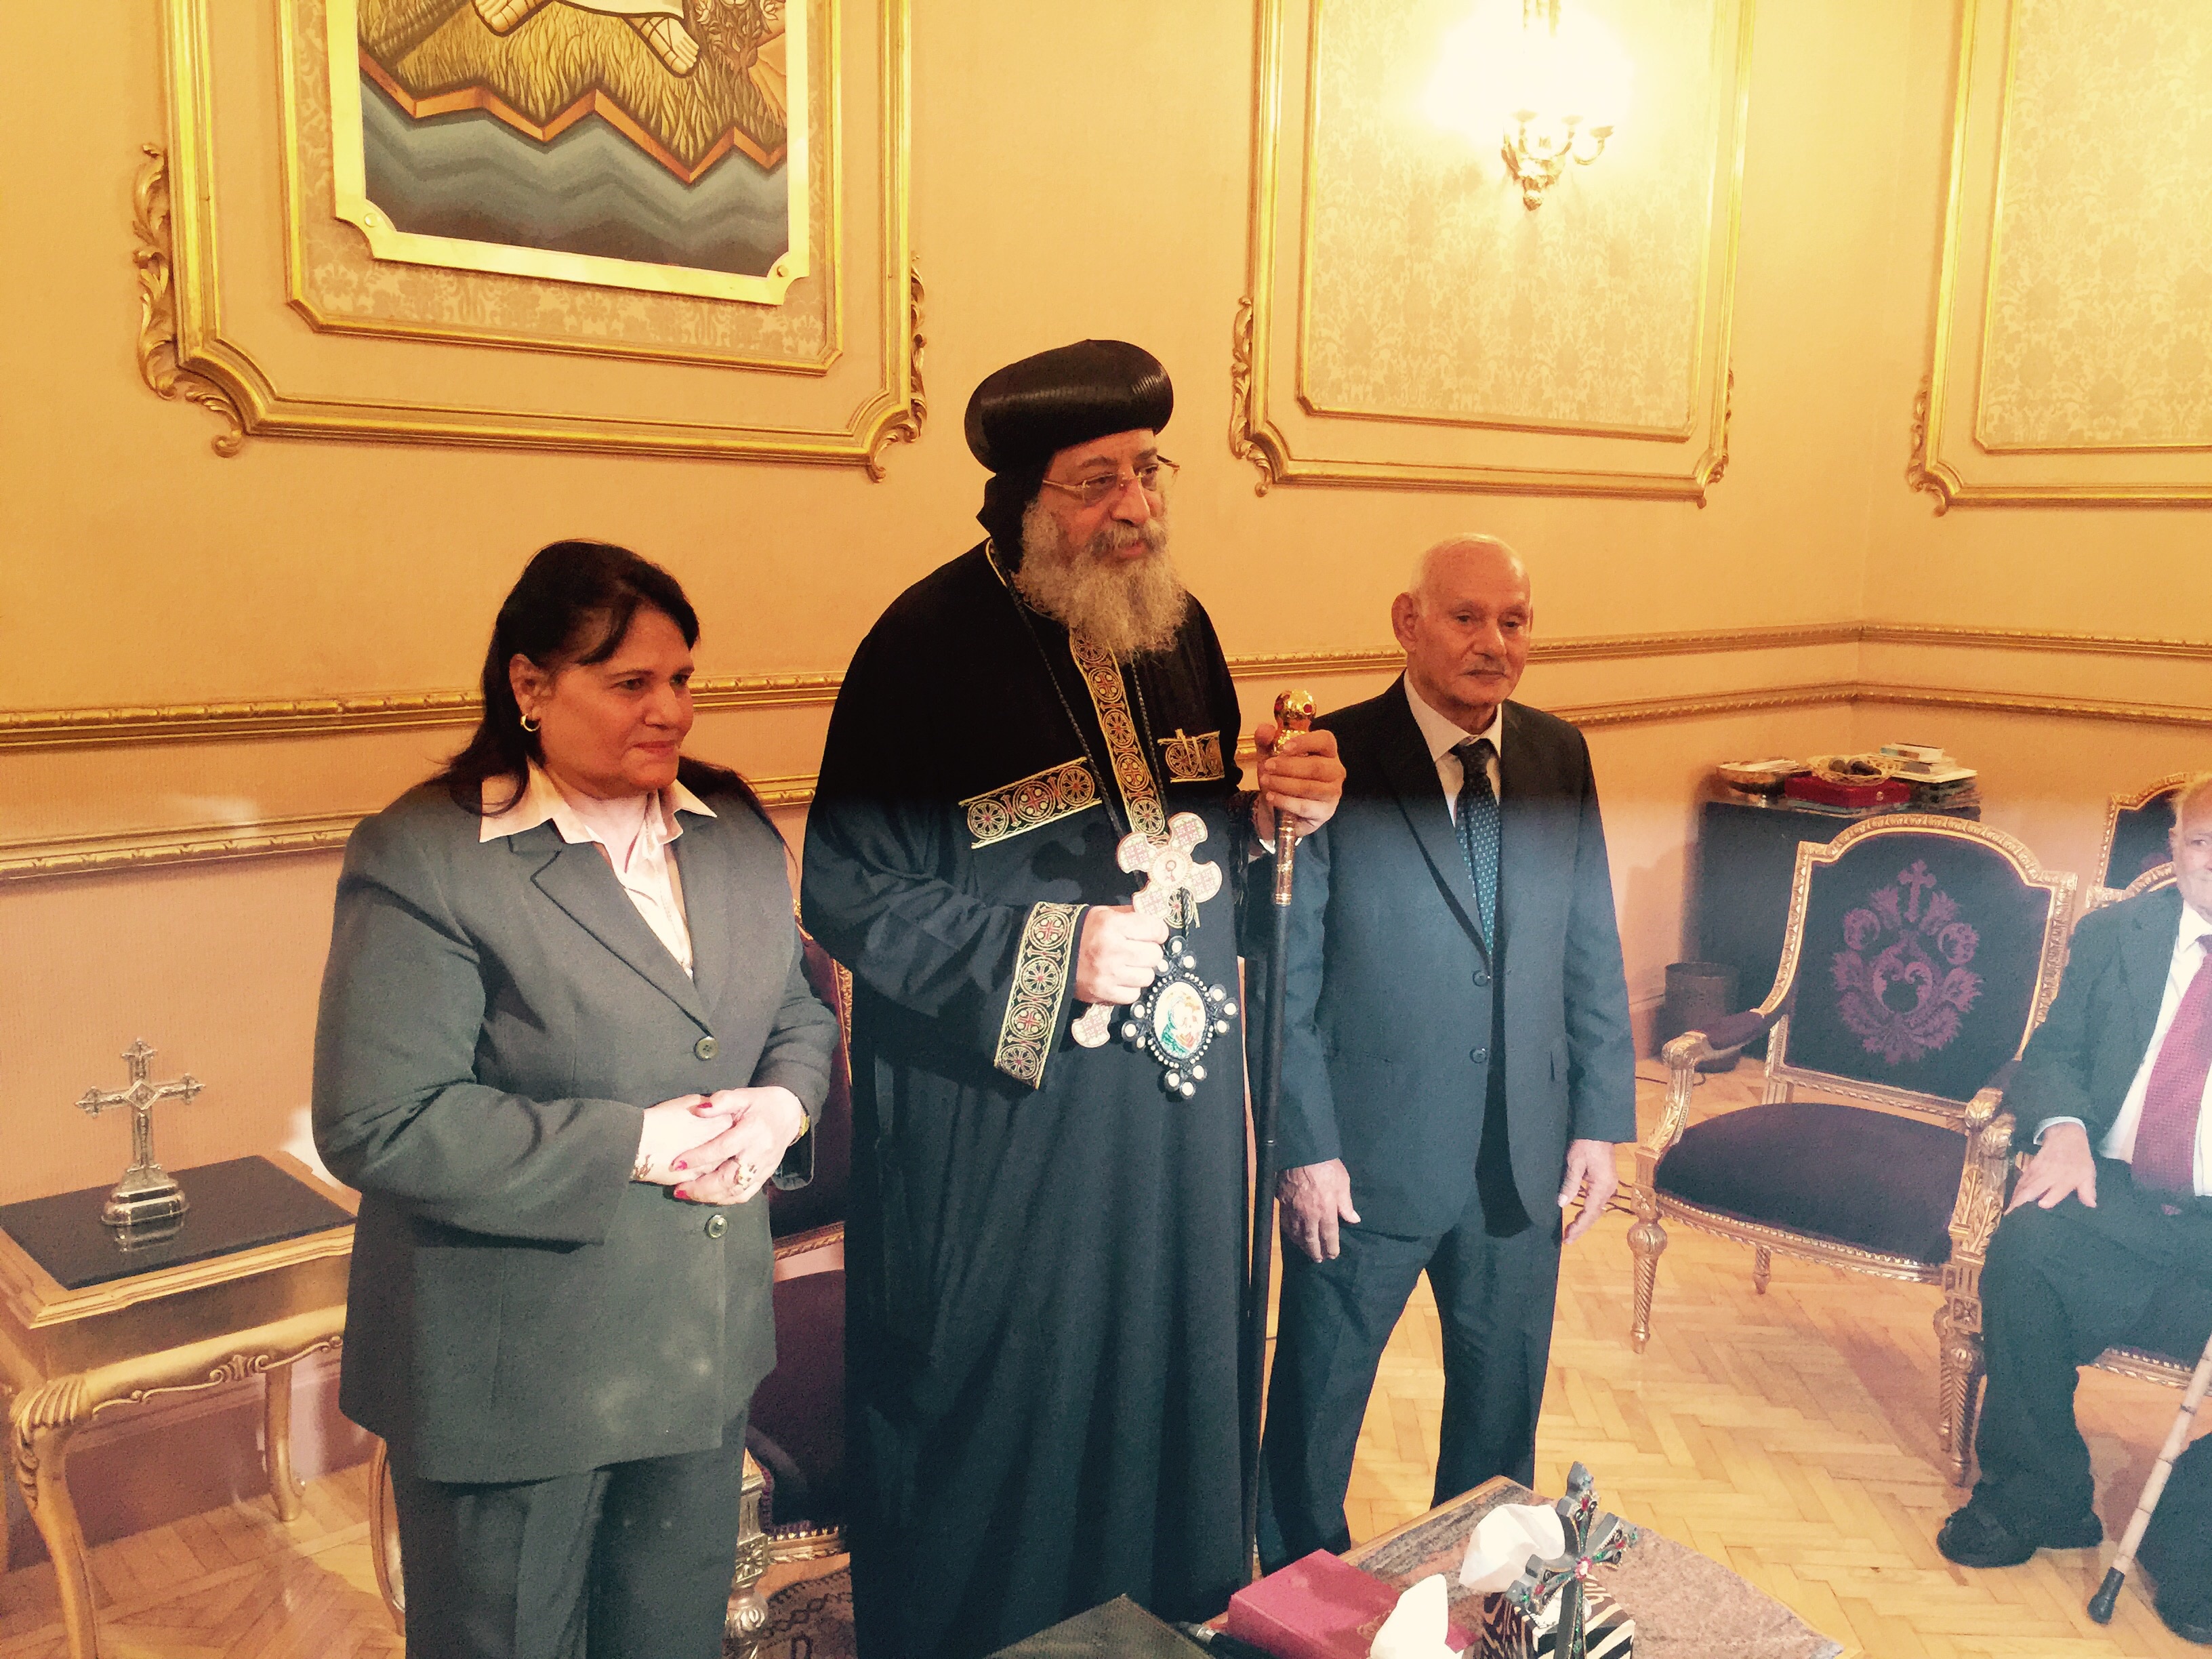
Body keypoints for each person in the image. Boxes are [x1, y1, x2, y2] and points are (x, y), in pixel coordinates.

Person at [799, 339, 1344, 1658]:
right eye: (1097, 482)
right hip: (1006, 1135)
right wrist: (1039, 955)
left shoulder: (1179, 631)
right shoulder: (921, 649)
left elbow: (1200, 842)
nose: (1136, 507)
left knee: (1170, 1387)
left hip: (1175, 1132)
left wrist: (1282, 822)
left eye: (1147, 472)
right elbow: (845, 886)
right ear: (1022, 501)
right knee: (1009, 1422)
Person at [314, 540, 840, 1659]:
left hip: (697, 1348)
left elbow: (796, 1010)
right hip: (513, 1376)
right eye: (631, 682)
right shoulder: (429, 855)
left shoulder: (732, 829)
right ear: (531, 685)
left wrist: (781, 1109)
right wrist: (636, 1142)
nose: (672, 710)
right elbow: (380, 1120)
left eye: (682, 678)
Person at [1255, 534, 1635, 1568]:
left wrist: (1600, 1120)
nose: (1492, 643)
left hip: (1520, 1156)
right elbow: (1286, 977)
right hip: (1361, 1163)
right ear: (1408, 620)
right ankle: (1295, 1607)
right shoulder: (1332, 758)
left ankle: (1477, 1601)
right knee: (1315, 1418)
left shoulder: (1559, 754)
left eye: (1514, 621)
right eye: (1467, 618)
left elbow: (1591, 944)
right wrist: (1304, 1146)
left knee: (1499, 1430)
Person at [1938, 771, 2212, 1646]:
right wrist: (2061, 1128)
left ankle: (2194, 1536)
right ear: (2174, 849)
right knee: (2027, 1250)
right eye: (2205, 843)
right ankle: (2039, 1493)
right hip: (2116, 1183)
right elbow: (2055, 1050)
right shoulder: (2115, 933)